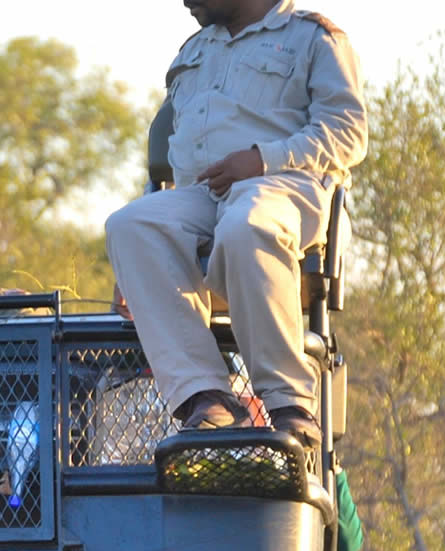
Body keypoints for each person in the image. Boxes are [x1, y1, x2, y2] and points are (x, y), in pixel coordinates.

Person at [105, 0, 368, 449]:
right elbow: (170, 159)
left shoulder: (314, 37)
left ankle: (290, 405)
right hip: (203, 196)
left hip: (282, 185)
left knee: (247, 225)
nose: (185, 1)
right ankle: (206, 399)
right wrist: (138, 262)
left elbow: (346, 132)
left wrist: (262, 159)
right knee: (131, 225)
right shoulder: (193, 51)